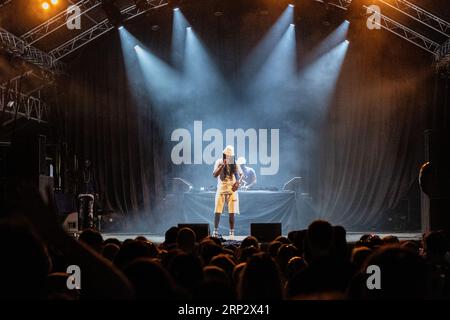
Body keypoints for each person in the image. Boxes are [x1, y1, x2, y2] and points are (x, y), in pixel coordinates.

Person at [212, 145, 243, 239]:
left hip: (231, 190)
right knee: (217, 211)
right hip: (221, 189)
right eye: (226, 156)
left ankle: (231, 233)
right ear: (224, 155)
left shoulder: (234, 162)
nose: (228, 158)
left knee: (231, 212)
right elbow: (214, 174)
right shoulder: (219, 161)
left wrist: (238, 182)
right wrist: (222, 165)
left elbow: (241, 174)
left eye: (230, 156)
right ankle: (216, 231)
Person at [77, 159, 98, 230]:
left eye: (88, 163)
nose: (86, 164)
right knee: (82, 211)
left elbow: (94, 182)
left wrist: (96, 192)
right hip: (82, 193)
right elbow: (78, 183)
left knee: (90, 211)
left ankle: (90, 227)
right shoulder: (80, 172)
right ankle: (81, 227)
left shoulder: (92, 172)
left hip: (90, 193)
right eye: (85, 163)